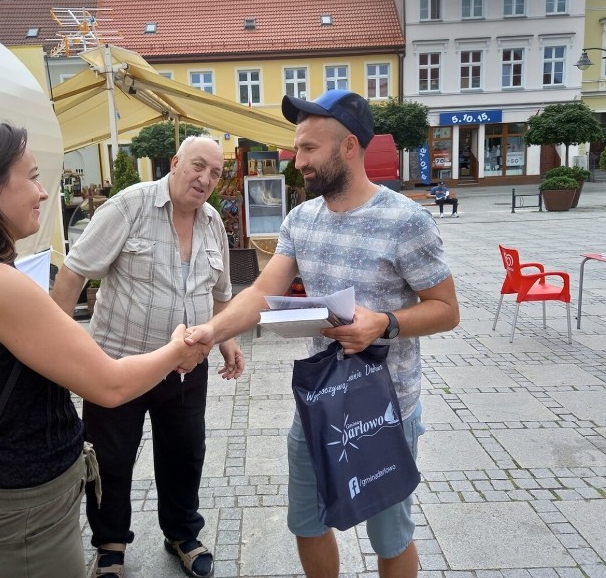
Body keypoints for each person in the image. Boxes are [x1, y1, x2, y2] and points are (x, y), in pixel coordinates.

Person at [0, 119, 207, 578]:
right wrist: (177, 348)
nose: (44, 192)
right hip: (25, 514)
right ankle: (111, 543)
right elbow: (109, 385)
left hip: (14, 501)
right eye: (31, 177)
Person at [186, 89, 459, 578]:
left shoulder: (405, 220)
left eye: (310, 148)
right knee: (307, 523)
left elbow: (446, 310)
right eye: (298, 148)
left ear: (348, 147)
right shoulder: (301, 219)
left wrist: (385, 323)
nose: (298, 161)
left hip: (387, 408)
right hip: (321, 403)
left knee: (390, 536)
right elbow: (261, 293)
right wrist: (210, 330)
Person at [51, 135, 245, 578]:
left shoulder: (213, 221)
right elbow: (74, 273)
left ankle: (182, 533)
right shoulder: (128, 206)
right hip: (119, 366)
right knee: (111, 458)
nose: (205, 179)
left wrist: (228, 340)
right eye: (198, 166)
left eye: (215, 173)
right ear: (175, 163)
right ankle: (110, 547)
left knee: (184, 453)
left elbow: (220, 295)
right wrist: (57, 350)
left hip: (186, 369)